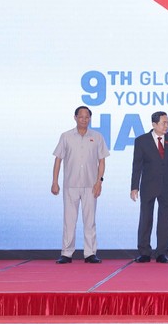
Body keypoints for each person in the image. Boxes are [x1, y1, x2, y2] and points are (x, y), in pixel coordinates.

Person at [51, 106, 109, 264]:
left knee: (90, 221)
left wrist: (99, 182)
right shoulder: (66, 136)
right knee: (69, 220)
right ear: (75, 117)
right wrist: (55, 182)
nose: (84, 119)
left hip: (91, 185)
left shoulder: (97, 137)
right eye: (81, 117)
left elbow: (102, 161)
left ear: (90, 118)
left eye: (87, 117)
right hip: (71, 184)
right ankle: (66, 253)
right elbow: (58, 160)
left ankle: (90, 253)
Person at [131, 111, 168, 263]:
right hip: (148, 185)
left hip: (167, 186)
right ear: (154, 124)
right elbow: (137, 165)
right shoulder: (142, 141)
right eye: (163, 123)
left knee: (165, 220)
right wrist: (134, 187)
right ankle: (144, 252)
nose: (167, 125)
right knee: (146, 219)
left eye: (167, 122)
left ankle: (162, 252)